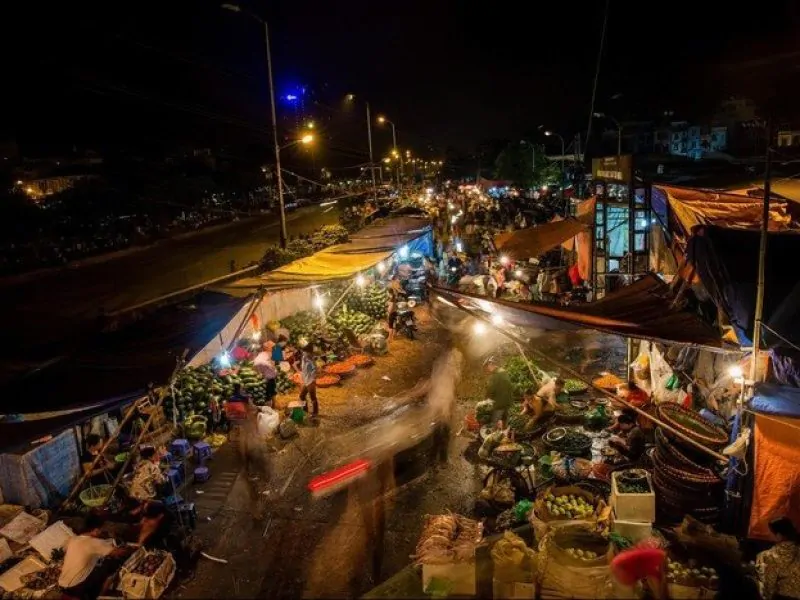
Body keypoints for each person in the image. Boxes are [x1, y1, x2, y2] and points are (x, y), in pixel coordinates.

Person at [59, 514, 133, 600]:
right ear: (95, 530)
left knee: (99, 563)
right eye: (101, 530)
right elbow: (118, 553)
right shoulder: (94, 543)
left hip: (62, 582)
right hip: (76, 586)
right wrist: (130, 549)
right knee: (111, 566)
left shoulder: (74, 539)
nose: (101, 532)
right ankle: (99, 595)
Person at [757, 517, 800, 600]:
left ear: (779, 535)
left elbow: (769, 586)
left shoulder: (771, 555)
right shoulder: (798, 550)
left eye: (771, 532)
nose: (768, 535)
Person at [484, 357, 514, 425]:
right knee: (505, 419)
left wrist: (486, 400)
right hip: (507, 401)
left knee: (494, 421)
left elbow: (491, 389)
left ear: (491, 364)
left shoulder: (495, 375)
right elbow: (510, 386)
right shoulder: (503, 371)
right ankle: (504, 432)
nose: (488, 369)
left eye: (488, 366)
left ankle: (494, 434)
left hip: (499, 403)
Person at [295, 343, 319, 417]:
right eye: (303, 351)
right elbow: (305, 368)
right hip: (306, 381)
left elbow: (314, 369)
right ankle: (305, 410)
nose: (303, 352)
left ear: (308, 352)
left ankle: (315, 412)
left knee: (313, 397)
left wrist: (312, 377)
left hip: (310, 381)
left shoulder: (309, 359)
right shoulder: (304, 357)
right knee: (302, 396)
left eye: (304, 351)